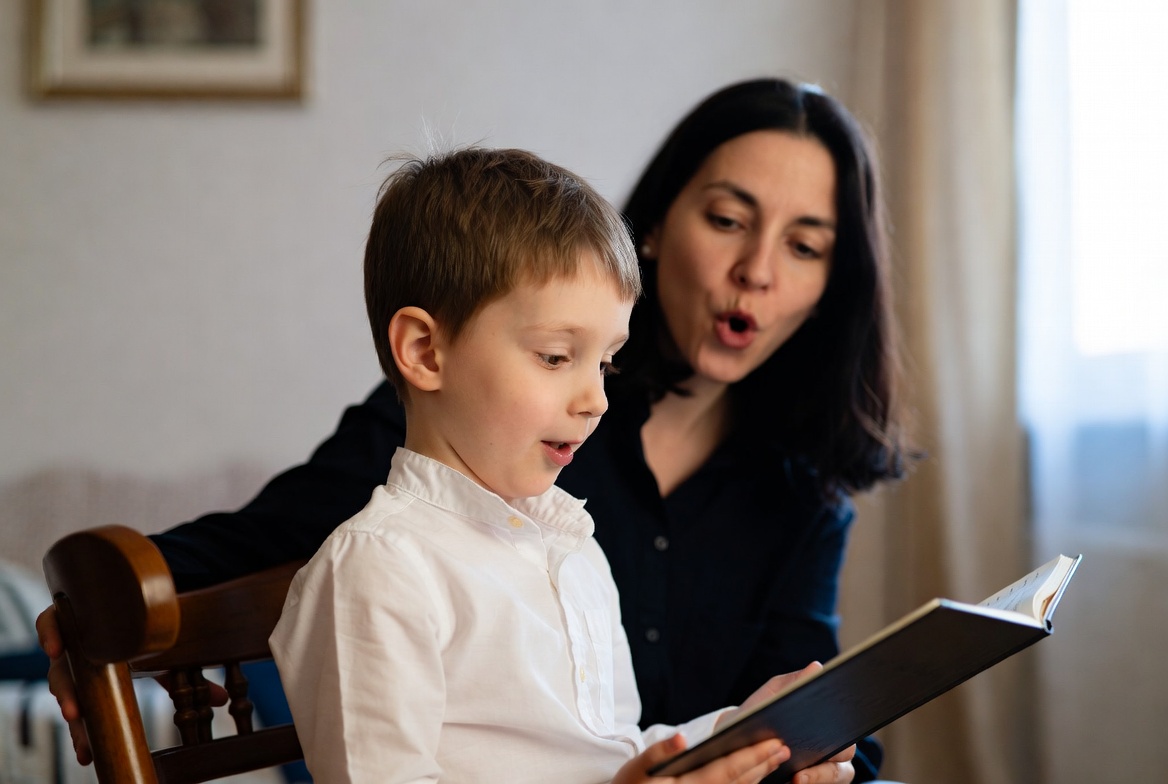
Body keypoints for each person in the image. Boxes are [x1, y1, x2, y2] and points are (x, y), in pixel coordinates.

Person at [38, 78, 906, 783]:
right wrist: (92, 600)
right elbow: (269, 535)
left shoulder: (595, 535)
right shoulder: (415, 512)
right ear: (658, 229)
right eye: (727, 220)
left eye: (804, 245)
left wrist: (779, 736)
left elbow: (613, 746)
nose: (754, 272)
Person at [269, 144, 846, 784]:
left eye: (605, 363)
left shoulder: (572, 549)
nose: (596, 399)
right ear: (426, 351)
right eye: (554, 357)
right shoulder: (379, 569)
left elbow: (611, 753)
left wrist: (740, 734)